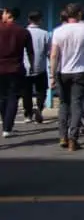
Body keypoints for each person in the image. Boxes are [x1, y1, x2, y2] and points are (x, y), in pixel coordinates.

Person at [50, 2, 84, 151]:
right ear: (79, 14)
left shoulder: (58, 31)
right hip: (81, 70)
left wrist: (52, 75)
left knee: (63, 103)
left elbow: (54, 55)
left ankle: (62, 136)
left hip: (62, 71)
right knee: (76, 103)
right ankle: (73, 138)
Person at [0, 7, 33, 139]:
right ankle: (8, 127)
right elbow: (30, 52)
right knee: (13, 97)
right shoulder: (23, 31)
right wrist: (32, 65)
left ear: (8, 14)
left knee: (2, 97)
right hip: (16, 68)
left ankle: (6, 125)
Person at [22, 10, 51, 124]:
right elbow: (49, 51)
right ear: (40, 20)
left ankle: (28, 114)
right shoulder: (45, 33)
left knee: (26, 92)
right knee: (41, 90)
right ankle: (39, 107)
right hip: (41, 67)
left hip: (25, 66)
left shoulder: (23, 32)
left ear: (29, 20)